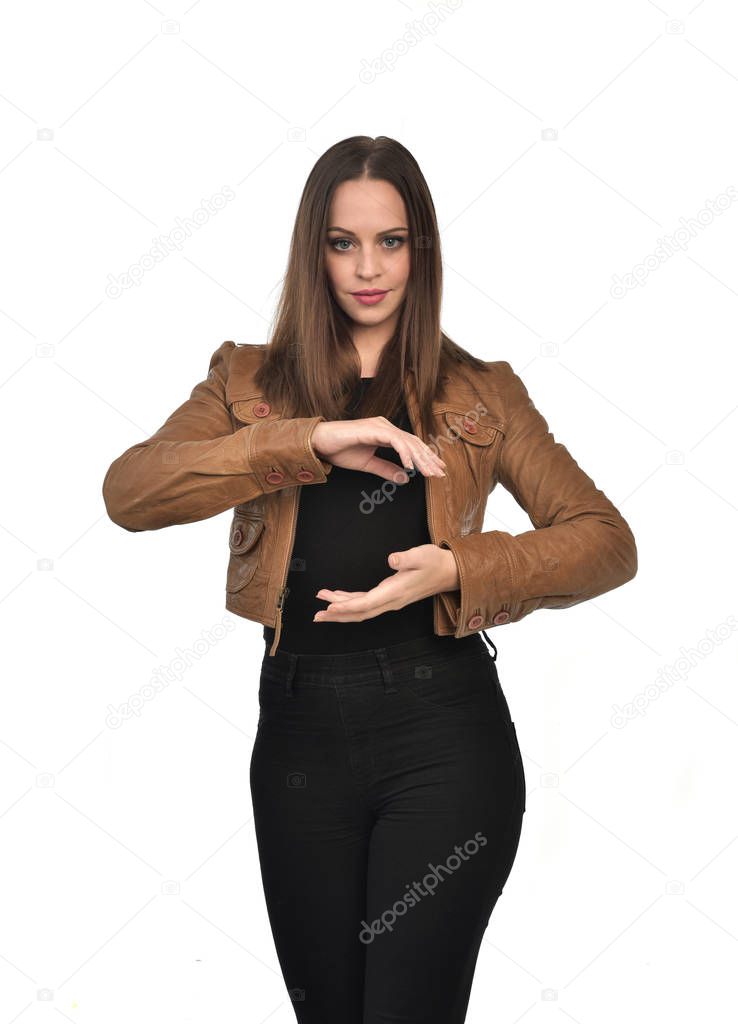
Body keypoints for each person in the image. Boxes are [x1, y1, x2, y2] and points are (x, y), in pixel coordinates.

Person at [102, 136, 638, 1023]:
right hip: (298, 731)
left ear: (421, 249)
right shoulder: (246, 379)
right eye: (343, 242)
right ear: (313, 248)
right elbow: (131, 492)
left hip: (443, 732)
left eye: (391, 241)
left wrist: (460, 566)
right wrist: (305, 441)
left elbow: (605, 540)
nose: (367, 268)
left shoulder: (483, 391)